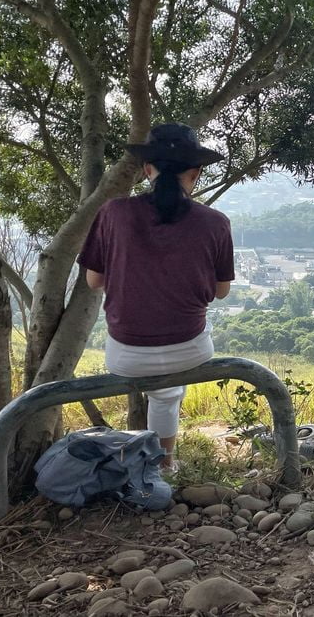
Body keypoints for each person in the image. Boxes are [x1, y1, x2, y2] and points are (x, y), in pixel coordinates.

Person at [78, 123, 234, 469]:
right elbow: (221, 292)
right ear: (195, 173)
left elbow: (93, 281)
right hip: (190, 350)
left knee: (162, 390)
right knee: (167, 393)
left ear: (147, 170)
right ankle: (164, 466)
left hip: (125, 354)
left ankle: (148, 463)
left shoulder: (114, 213)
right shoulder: (215, 222)